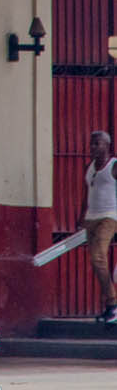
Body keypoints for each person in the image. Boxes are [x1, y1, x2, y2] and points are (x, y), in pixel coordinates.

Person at [78, 130, 117, 325]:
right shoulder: (89, 167)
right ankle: (110, 307)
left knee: (98, 257)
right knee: (95, 262)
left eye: (97, 144)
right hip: (91, 218)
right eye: (92, 144)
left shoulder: (114, 166)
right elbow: (86, 195)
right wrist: (80, 218)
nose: (93, 147)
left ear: (107, 146)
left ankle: (113, 304)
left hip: (109, 217)